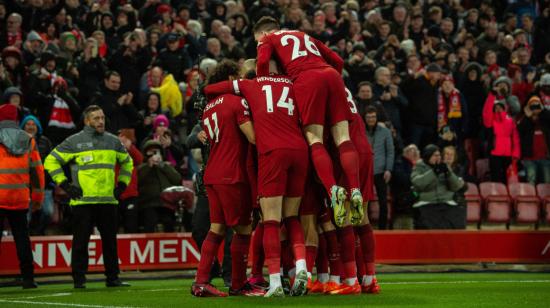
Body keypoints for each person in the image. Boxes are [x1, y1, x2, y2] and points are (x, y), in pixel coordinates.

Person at [204, 59, 309, 297]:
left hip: (267, 153)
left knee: (268, 221)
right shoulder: (293, 83)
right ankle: (301, 267)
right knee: (292, 217)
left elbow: (208, 90)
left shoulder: (251, 86)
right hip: (300, 150)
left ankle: (273, 282)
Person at [253, 16, 363, 227]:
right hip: (332, 75)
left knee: (314, 138)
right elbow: (338, 61)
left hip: (306, 80)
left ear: (264, 33)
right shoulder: (305, 35)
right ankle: (355, 190)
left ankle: (333, 190)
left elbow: (263, 62)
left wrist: (264, 84)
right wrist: (331, 90)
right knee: (343, 137)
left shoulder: (268, 40)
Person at [44, 105, 133, 289]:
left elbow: (127, 162)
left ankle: (112, 278)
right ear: (87, 121)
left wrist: (122, 185)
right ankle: (79, 280)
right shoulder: (74, 141)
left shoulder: (113, 141)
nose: (101, 121)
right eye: (96, 118)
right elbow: (50, 160)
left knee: (110, 242)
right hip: (83, 202)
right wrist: (65, 185)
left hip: (108, 201)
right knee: (80, 243)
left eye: (102, 118)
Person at [191, 60, 259, 297]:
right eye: (240, 77)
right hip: (232, 174)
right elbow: (252, 137)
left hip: (212, 174)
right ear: (231, 79)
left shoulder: (210, 106)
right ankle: (238, 284)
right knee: (243, 229)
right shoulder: (237, 102)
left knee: (216, 229)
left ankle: (201, 282)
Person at [0, 104, 45, 289]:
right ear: (17, 119)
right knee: (22, 239)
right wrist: (37, 199)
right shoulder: (28, 140)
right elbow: (38, 172)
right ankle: (28, 278)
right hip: (20, 198)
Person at [411, 144, 465, 229]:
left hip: (446, 202)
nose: (438, 157)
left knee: (457, 216)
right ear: (427, 156)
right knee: (428, 221)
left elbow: (457, 186)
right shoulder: (419, 167)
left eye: (439, 155)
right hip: (427, 202)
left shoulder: (444, 166)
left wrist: (448, 173)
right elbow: (418, 183)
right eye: (435, 155)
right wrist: (434, 172)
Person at [137, 140, 182, 232]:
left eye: (156, 152)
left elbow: (177, 179)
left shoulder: (166, 166)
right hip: (148, 203)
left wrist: (162, 165)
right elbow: (138, 181)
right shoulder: (142, 168)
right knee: (150, 222)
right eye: (151, 152)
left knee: (169, 222)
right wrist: (149, 166)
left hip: (166, 203)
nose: (154, 155)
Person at [20, 115, 54, 235]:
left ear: (37, 127)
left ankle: (38, 232)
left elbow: (52, 161)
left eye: (33, 124)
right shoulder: (18, 141)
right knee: (25, 216)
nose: (30, 127)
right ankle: (26, 235)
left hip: (43, 185)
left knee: (48, 213)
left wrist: (49, 179)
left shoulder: (45, 141)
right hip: (24, 187)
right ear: (23, 127)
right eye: (28, 124)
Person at [364, 107, 394, 230]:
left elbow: (390, 151)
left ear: (377, 118)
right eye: (369, 117)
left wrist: (388, 169)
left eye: (373, 117)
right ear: (364, 118)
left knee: (383, 201)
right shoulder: (360, 131)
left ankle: (383, 229)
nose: (371, 119)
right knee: (364, 201)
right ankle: (364, 227)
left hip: (381, 172)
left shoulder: (385, 132)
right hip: (365, 171)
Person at [483, 93, 521, 184]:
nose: (498, 109)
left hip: (508, 154)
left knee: (507, 178)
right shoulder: (490, 121)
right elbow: (486, 112)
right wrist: (491, 95)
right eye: (495, 107)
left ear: (505, 108)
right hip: (495, 153)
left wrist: (516, 154)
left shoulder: (510, 121)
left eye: (500, 107)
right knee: (496, 178)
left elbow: (515, 138)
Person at [517, 96, 550, 184]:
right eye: (532, 106)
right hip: (529, 158)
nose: (534, 108)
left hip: (545, 157)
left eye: (537, 106)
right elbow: (519, 130)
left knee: (547, 182)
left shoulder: (545, 119)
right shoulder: (525, 120)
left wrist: (542, 110)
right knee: (531, 181)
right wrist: (527, 116)